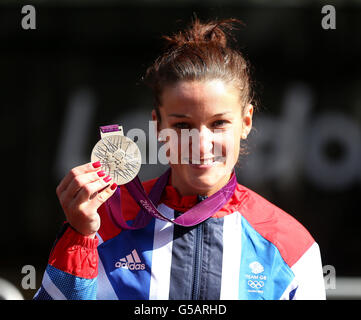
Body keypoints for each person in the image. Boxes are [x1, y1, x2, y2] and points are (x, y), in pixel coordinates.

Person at [34, 17, 326, 300]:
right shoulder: (105, 220)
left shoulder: (290, 244)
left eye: (218, 123)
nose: (201, 144)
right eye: (183, 125)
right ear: (158, 126)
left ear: (246, 122)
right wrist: (79, 236)